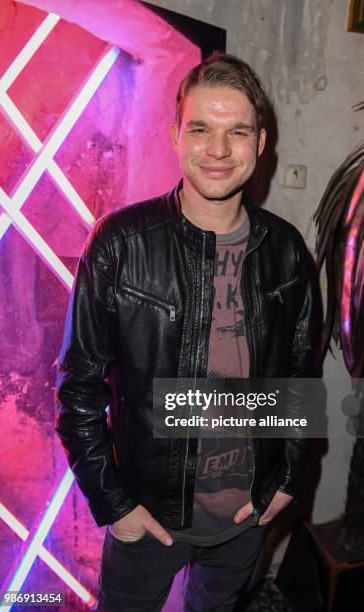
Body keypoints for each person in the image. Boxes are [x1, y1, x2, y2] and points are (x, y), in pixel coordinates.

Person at [55, 52, 319, 611]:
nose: (218, 150)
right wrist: (116, 507)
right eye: (201, 128)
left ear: (261, 143)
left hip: (247, 517)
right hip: (147, 519)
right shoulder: (121, 245)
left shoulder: (288, 252)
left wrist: (289, 478)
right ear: (176, 134)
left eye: (237, 132)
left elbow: (301, 377)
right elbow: (78, 390)